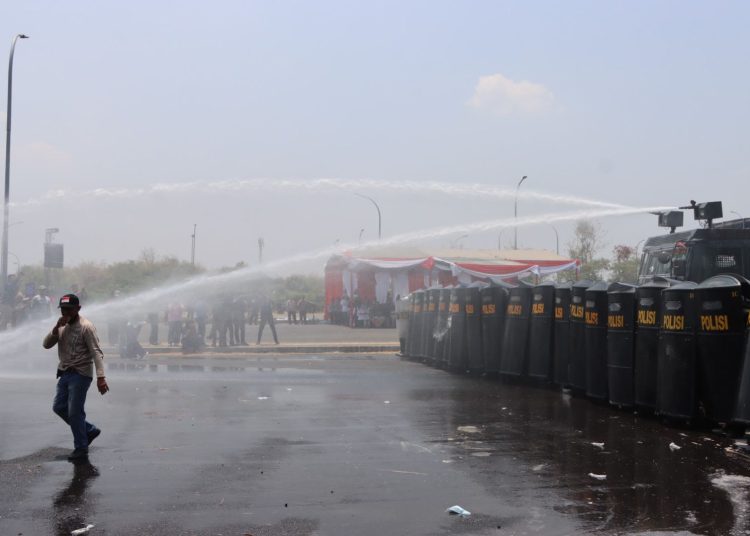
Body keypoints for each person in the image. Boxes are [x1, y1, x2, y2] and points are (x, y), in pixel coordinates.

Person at [42, 294, 109, 462]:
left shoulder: (86, 327)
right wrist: (56, 328)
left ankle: (81, 448)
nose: (65, 312)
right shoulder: (61, 326)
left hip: (80, 374)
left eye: (68, 309)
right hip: (64, 372)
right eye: (63, 309)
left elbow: (96, 353)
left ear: (77, 309)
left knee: (74, 412)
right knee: (59, 407)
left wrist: (101, 377)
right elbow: (46, 344)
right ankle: (89, 430)